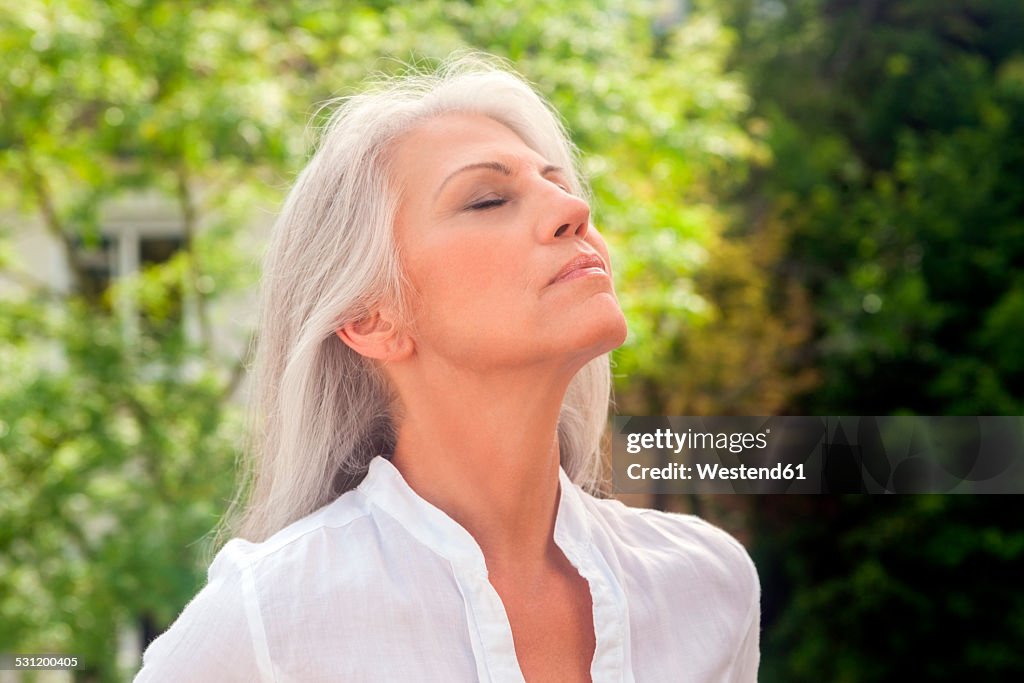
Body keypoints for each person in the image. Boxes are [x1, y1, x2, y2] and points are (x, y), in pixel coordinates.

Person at [134, 53, 760, 682]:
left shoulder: (708, 588)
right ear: (372, 320)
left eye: (559, 183)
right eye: (488, 200)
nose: (575, 212)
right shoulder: (269, 619)